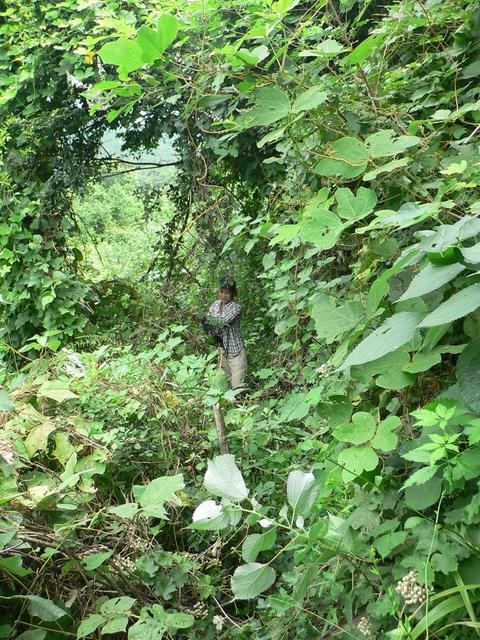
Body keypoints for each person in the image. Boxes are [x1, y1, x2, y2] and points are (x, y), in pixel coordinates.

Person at [201, 276, 247, 390]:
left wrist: (204, 318)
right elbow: (209, 326)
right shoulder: (215, 305)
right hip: (222, 350)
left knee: (237, 387)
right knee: (224, 386)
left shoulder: (236, 307)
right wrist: (205, 321)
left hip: (235, 350)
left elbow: (223, 321)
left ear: (233, 293)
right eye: (221, 292)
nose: (224, 295)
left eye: (227, 293)